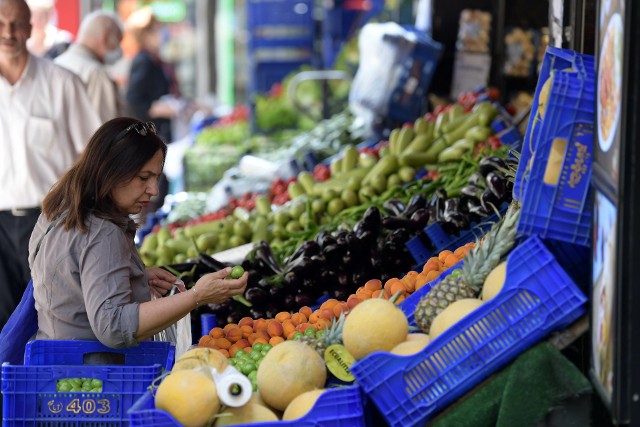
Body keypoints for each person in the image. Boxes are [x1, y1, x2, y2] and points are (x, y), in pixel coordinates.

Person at [28, 117, 249, 347]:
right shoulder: (103, 232)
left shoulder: (59, 209)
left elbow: (68, 278)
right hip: (95, 373)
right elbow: (113, 326)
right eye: (144, 178)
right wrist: (196, 296)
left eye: (156, 178)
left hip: (55, 356)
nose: (153, 190)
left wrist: (132, 276)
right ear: (110, 171)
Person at [0, 0, 101, 333]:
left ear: (30, 28)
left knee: (52, 321)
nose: (9, 33)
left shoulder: (61, 83)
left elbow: (93, 157)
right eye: (1, 23)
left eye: (16, 24)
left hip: (51, 222)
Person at [54, 10, 124, 123]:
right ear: (105, 38)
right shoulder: (96, 73)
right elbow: (105, 131)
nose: (119, 50)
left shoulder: (57, 63)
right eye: (117, 42)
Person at [125, 6, 179, 145]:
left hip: (162, 131)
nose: (162, 33)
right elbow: (133, 101)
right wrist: (156, 109)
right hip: (151, 136)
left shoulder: (155, 59)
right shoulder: (143, 60)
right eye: (156, 29)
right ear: (145, 35)